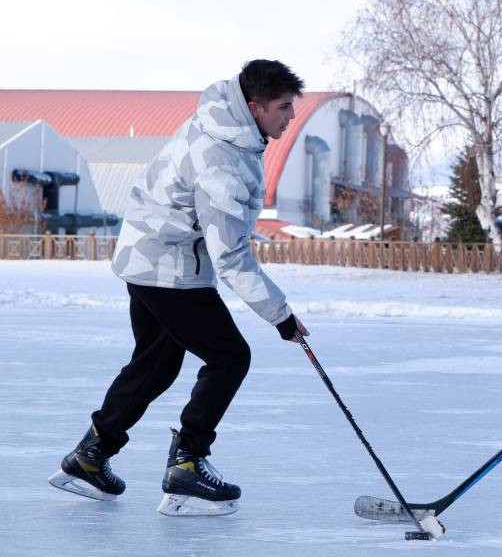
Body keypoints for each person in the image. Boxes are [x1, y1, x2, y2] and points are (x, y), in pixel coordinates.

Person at [48, 59, 310, 517]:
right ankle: (187, 464)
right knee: (230, 357)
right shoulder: (221, 158)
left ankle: (90, 457)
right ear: (255, 107)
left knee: (156, 363)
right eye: (284, 107)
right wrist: (280, 316)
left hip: (150, 256)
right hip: (169, 268)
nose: (291, 116)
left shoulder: (227, 130)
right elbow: (229, 254)